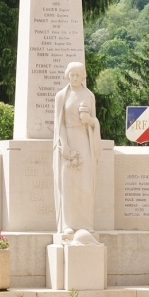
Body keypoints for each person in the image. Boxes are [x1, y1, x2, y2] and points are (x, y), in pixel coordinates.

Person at [53, 62, 101, 237]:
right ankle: (68, 224)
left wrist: (90, 121)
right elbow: (60, 124)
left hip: (84, 140)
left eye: (78, 75)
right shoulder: (61, 96)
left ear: (83, 77)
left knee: (85, 184)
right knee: (68, 184)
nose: (74, 78)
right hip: (69, 139)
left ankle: (86, 224)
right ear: (67, 75)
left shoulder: (89, 95)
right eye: (71, 75)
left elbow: (94, 121)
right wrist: (64, 144)